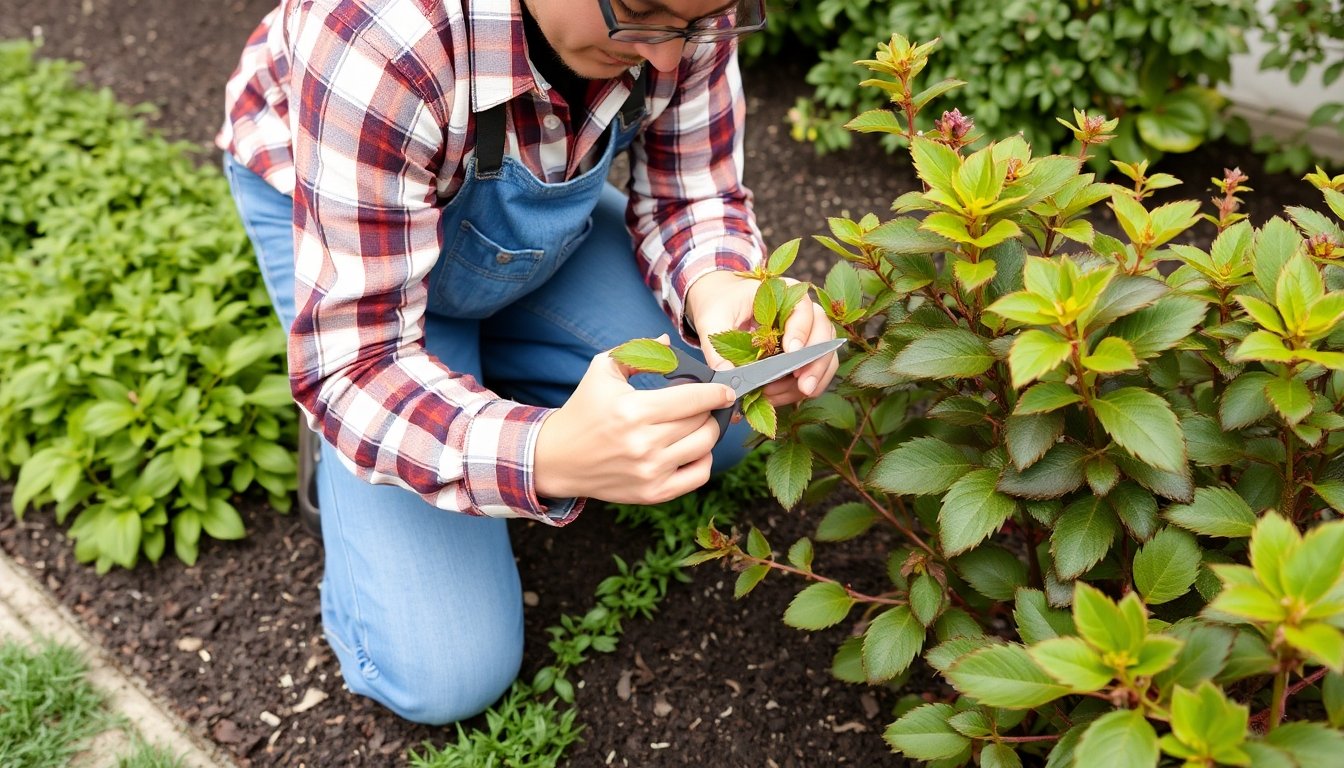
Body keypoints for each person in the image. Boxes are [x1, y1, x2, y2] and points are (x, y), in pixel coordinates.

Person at [218, 0, 838, 725]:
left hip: (508, 242)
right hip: (352, 233)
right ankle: (387, 445)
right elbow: (357, 364)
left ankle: (474, 374)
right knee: (447, 674)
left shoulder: (684, 16)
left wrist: (725, 288)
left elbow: (691, 193)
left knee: (717, 422)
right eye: (641, 12)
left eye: (701, 22)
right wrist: (544, 455)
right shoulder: (383, 34)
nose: (667, 59)